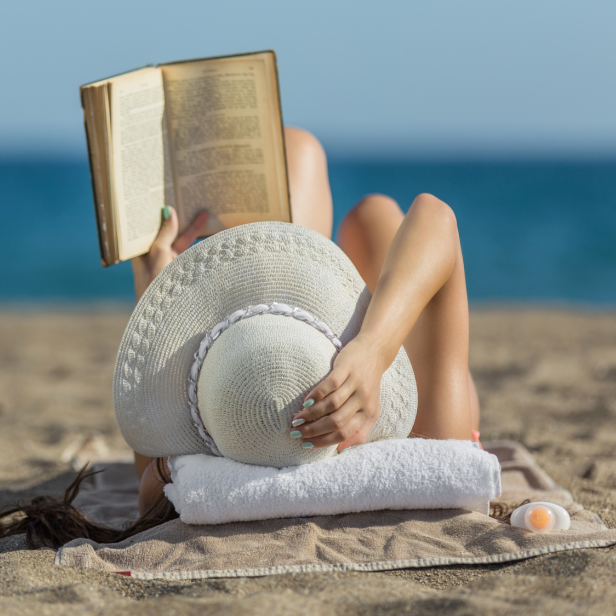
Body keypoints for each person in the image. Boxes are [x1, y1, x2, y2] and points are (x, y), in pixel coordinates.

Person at [1, 127, 488, 549]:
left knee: (300, 155)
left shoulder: (187, 458)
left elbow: (155, 477)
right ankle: (320, 277)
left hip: (276, 363)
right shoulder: (431, 436)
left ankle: (255, 243)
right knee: (373, 214)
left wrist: (154, 269)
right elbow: (434, 216)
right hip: (374, 377)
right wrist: (373, 349)